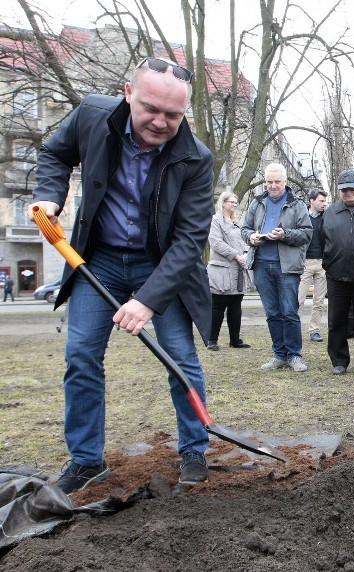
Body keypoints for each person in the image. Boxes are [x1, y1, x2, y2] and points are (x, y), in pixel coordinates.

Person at [29, 56, 214, 491]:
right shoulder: (92, 116)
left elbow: (189, 241)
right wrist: (49, 198)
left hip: (160, 265)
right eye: (151, 107)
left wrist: (148, 299)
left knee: (180, 358)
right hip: (99, 261)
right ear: (128, 92)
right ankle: (87, 459)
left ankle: (194, 448)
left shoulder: (195, 158)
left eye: (173, 114)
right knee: (81, 357)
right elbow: (55, 154)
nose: (160, 121)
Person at [242, 163, 312, 372]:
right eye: (269, 182)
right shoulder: (257, 202)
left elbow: (307, 233)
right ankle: (279, 354)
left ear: (285, 182)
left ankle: (294, 355)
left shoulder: (297, 204)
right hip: (262, 264)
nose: (273, 186)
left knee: (289, 312)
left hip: (287, 266)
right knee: (272, 313)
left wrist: (285, 234)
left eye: (277, 182)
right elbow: (244, 228)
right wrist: (251, 237)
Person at [322, 170, 354, 375]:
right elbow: (321, 240)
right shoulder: (330, 212)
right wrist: (329, 264)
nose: (348, 192)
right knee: (336, 320)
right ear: (339, 191)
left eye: (352, 188)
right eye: (344, 189)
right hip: (336, 275)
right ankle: (339, 360)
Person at [206, 191, 250, 351]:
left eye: (236, 202)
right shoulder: (215, 221)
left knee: (236, 305)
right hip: (221, 270)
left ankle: (235, 339)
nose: (234, 204)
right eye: (231, 201)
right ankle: (212, 339)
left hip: (238, 270)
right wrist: (236, 255)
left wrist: (245, 253)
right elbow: (216, 243)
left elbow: (244, 241)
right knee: (218, 305)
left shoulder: (237, 223)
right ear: (223, 203)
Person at [298, 189, 329, 343]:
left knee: (319, 301)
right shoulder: (302, 216)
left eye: (325, 201)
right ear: (312, 200)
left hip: (322, 263)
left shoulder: (327, 218)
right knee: (298, 299)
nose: (324, 204)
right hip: (305, 263)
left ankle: (314, 331)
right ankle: (295, 329)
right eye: (321, 201)